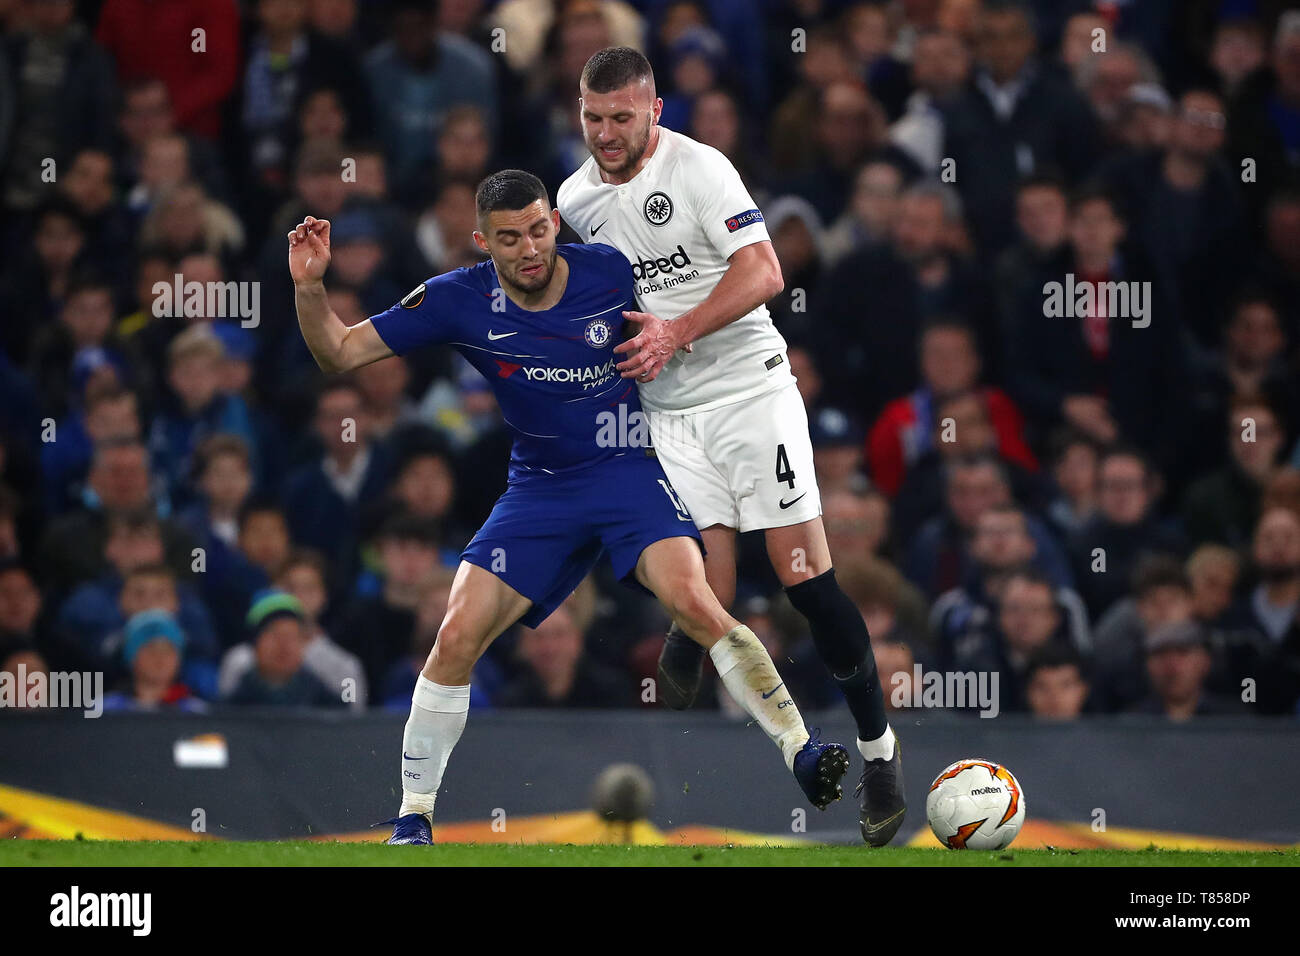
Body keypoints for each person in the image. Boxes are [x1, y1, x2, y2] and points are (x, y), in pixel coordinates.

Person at [288, 168, 851, 846]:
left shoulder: (611, 272)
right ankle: (413, 817)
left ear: (555, 222)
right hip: (540, 490)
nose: (528, 249)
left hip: (630, 473)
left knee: (695, 604)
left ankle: (802, 748)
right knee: (456, 633)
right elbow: (339, 352)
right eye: (509, 239)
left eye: (537, 230)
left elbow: (696, 308)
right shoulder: (456, 299)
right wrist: (310, 285)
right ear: (481, 243)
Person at [556, 47, 904, 845]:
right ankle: (705, 643)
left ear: (655, 112)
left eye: (622, 118)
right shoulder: (576, 197)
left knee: (804, 581)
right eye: (593, 118)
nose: (606, 134)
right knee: (698, 585)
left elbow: (764, 272)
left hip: (752, 392)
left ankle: (880, 752)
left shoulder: (702, 169)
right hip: (669, 411)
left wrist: (676, 330)